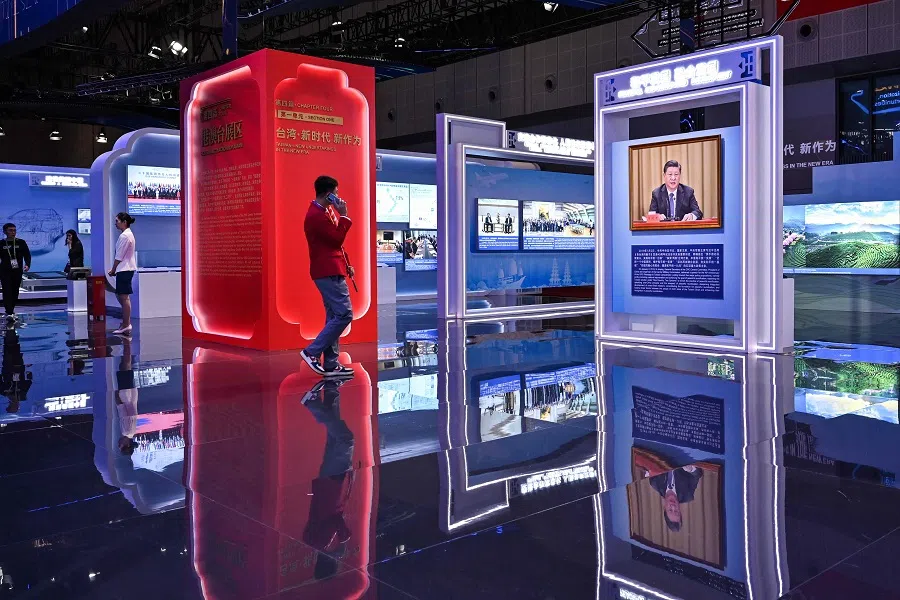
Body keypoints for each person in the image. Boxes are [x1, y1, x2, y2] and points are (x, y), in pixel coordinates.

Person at [299, 176, 355, 378]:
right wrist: (345, 217)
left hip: (331, 268)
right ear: (327, 194)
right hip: (327, 271)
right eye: (336, 193)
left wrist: (346, 264)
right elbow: (336, 238)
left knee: (334, 315)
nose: (338, 197)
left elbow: (334, 245)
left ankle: (331, 364)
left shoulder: (323, 212)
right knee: (344, 314)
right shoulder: (317, 216)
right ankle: (311, 352)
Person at [648, 465, 703, 532]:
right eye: (676, 511)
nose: (673, 506)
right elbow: (697, 474)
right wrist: (691, 469)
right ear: (680, 510)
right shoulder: (687, 494)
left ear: (664, 508)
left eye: (670, 510)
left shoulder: (655, 483)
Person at [107, 212, 136, 336]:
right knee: (121, 296)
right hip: (124, 269)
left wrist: (113, 269)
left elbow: (119, 256)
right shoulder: (127, 235)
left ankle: (126, 324)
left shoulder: (125, 236)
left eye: (117, 221)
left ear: (124, 222)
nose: (115, 223)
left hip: (124, 269)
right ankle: (126, 323)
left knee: (123, 297)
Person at [0, 223, 31, 325]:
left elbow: (27, 254)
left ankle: (11, 310)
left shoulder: (21, 242)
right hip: (5, 271)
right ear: (5, 231)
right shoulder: (1, 243)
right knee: (7, 290)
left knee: (14, 291)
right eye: (10, 230)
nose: (13, 232)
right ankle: (8, 311)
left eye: (14, 230)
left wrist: (27, 264)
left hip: (17, 271)